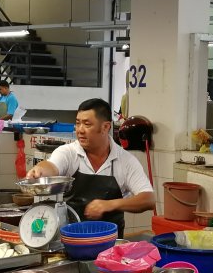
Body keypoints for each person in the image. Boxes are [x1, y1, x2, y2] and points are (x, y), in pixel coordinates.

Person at [26, 98, 155, 231]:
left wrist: (110, 204)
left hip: (110, 245)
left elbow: (148, 199)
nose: (80, 130)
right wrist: (40, 170)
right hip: (71, 238)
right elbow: (52, 166)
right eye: (77, 123)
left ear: (105, 127)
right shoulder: (68, 152)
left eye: (87, 124)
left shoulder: (125, 160)